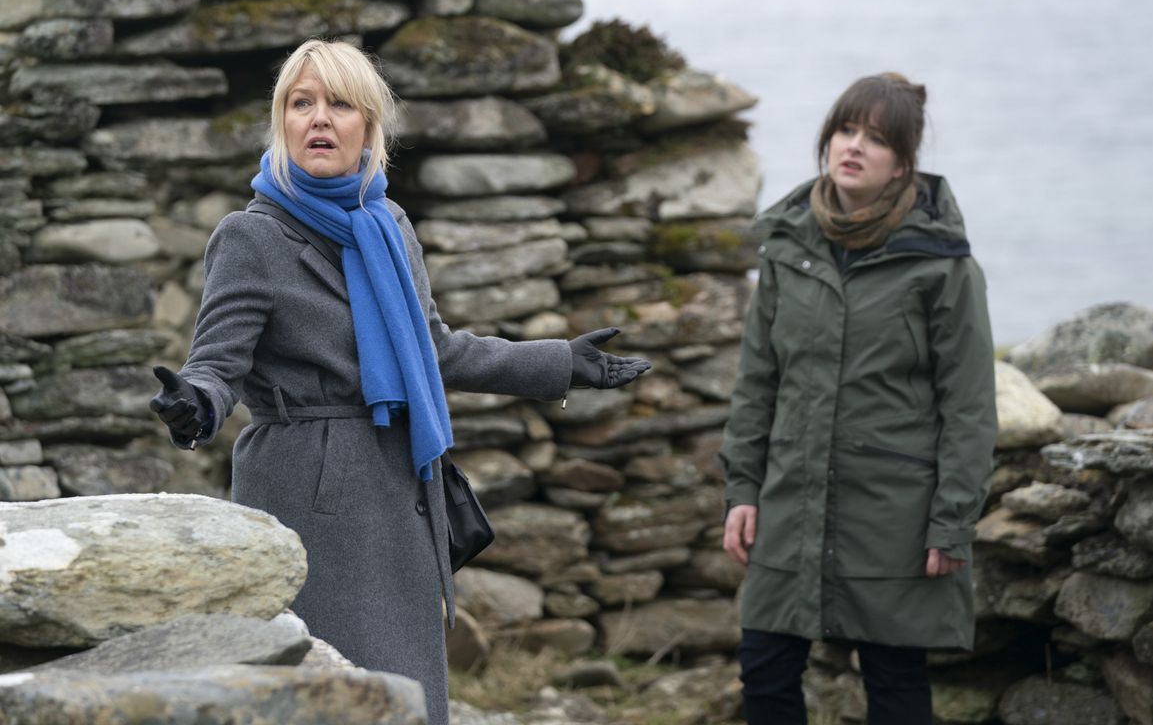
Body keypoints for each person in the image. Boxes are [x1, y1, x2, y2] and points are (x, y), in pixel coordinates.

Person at [148, 39, 650, 725]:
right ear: (283, 122)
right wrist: (195, 405)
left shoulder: (388, 225)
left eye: (340, 104)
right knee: (332, 702)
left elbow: (435, 350)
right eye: (302, 103)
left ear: (369, 127)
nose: (318, 118)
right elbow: (218, 364)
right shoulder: (250, 237)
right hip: (311, 497)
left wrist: (560, 363)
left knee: (405, 699)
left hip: (398, 486)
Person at [719, 73, 996, 724]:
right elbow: (757, 382)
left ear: (904, 160)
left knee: (895, 682)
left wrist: (953, 518)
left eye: (876, 138)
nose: (855, 147)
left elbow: (969, 405)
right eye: (846, 129)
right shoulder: (789, 250)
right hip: (790, 500)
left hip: (893, 513)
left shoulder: (943, 265)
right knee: (764, 667)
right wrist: (742, 489)